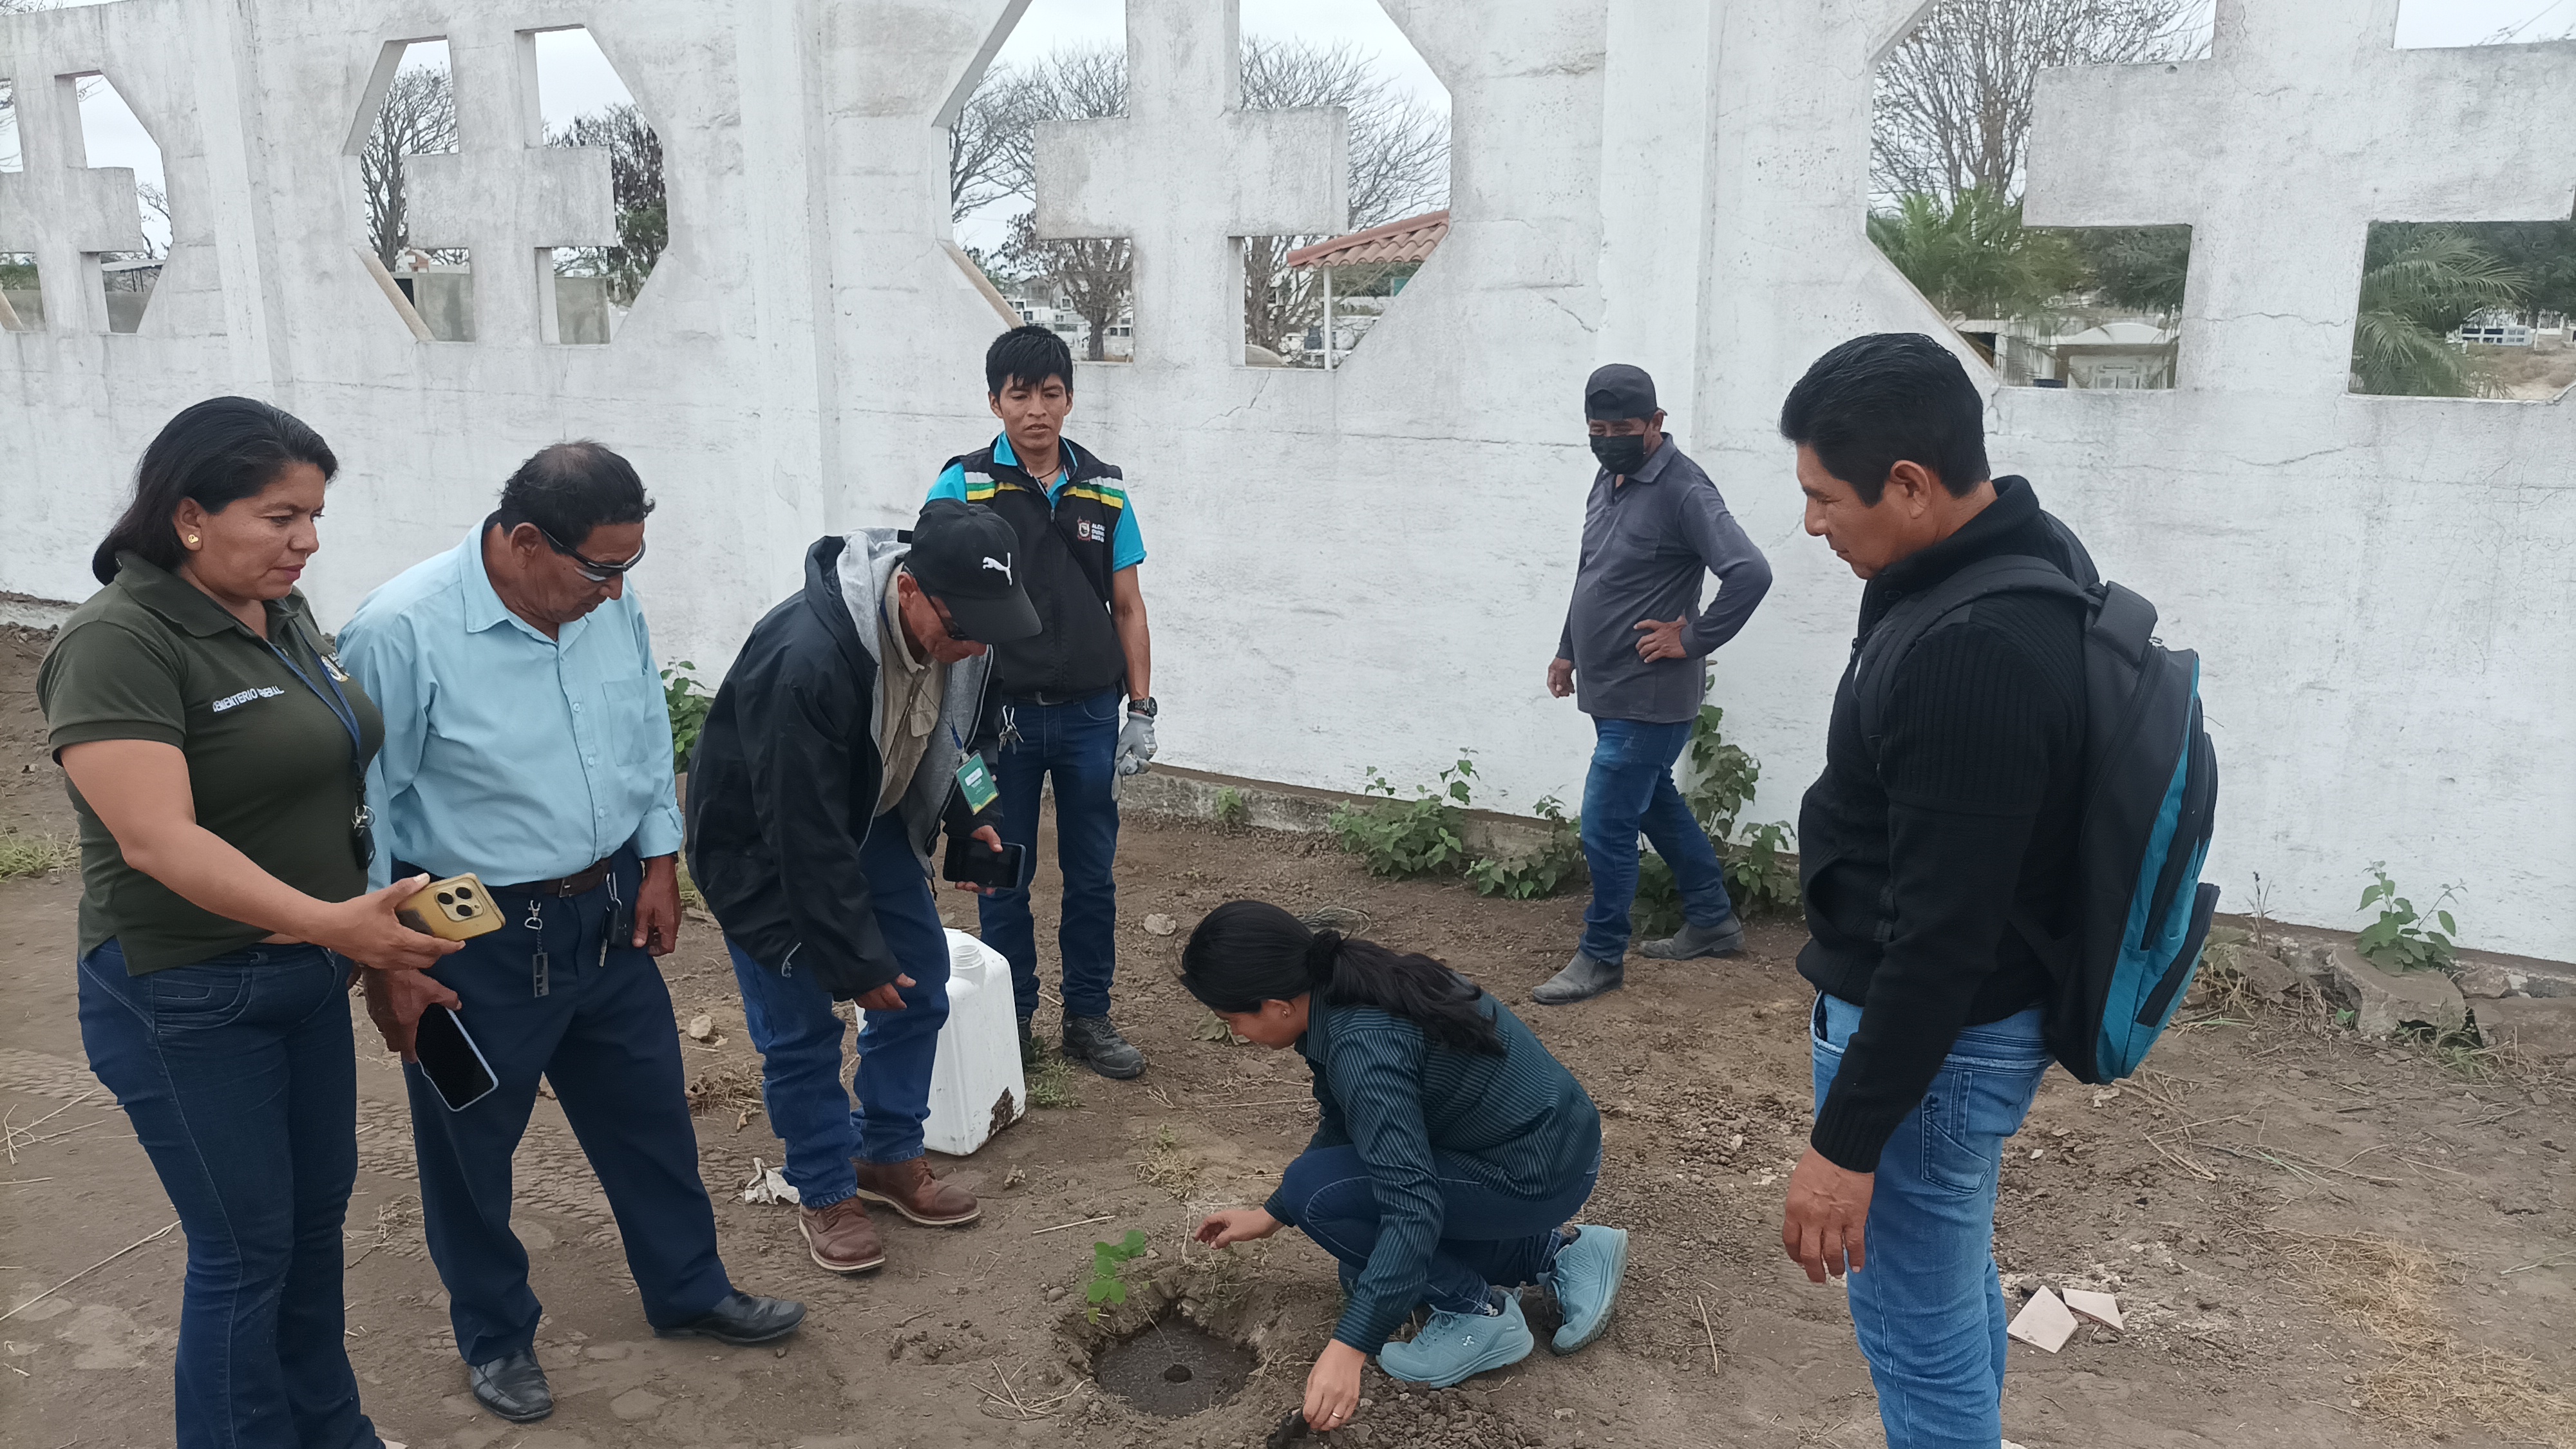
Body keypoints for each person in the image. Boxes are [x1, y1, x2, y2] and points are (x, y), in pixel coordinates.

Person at [336, 442, 803, 1425]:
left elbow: (642, 731)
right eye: (601, 567)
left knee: (650, 1113)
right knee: (469, 1145)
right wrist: (388, 959)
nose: (618, 588)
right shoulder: (402, 628)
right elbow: (368, 804)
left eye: (631, 565)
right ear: (524, 542)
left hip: (607, 910)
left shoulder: (605, 604)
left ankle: (688, 1287)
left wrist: (660, 859)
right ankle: (495, 1335)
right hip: (468, 930)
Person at [38, 397, 462, 1449]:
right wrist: (336, 922)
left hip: (306, 978)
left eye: (314, 516)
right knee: (244, 1253)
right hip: (189, 992)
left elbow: (331, 784)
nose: (306, 540)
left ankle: (333, 1433)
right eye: (280, 517)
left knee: (311, 1238)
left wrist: (364, 940)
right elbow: (157, 840)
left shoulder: (282, 614)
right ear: (190, 515)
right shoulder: (117, 640)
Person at [1774, 333, 2090, 1449]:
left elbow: (1941, 939)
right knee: (1945, 1285)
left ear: (1910, 484)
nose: (1812, 524)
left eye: (1825, 497)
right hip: (1966, 1025)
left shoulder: (1974, 648)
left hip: (1939, 1042)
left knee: (1911, 1322)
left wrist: (1846, 1143)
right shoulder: (2016, 554)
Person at [685, 498, 1037, 1279]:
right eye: (965, 629)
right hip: (763, 849)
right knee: (802, 1025)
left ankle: (887, 1153)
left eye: (992, 629)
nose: (977, 647)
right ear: (909, 590)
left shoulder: (968, 632)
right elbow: (802, 829)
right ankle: (824, 1186)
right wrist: (853, 959)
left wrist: (974, 813)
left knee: (921, 984)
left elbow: (969, 736)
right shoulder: (807, 657)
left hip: (869, 816)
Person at [1185, 901, 1628, 1432]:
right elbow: (1344, 1119)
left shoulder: (1361, 1045)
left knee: (1321, 1201)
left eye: (1233, 1020)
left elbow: (1413, 1208)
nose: (1236, 1034)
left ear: (1278, 1006)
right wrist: (1272, 1214)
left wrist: (1349, 1347)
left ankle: (1479, 1315)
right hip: (1548, 1148)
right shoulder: (1346, 983)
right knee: (1361, 1268)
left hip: (1536, 1175)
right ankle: (1556, 1251)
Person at [926, 324, 1156, 1078]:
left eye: (1050, 393)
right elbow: (931, 599)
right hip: (1000, 724)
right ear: (995, 402)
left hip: (1090, 716)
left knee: (1093, 876)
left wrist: (1140, 710)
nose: (1036, 410)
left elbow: (1128, 605)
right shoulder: (962, 485)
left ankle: (1088, 1018)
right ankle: (1012, 1020)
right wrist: (947, 725)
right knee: (1000, 870)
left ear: (1069, 399)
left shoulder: (1104, 487)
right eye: (1019, 394)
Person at [1535, 363, 1774, 1007]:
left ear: (1655, 423)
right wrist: (1566, 650)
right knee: (1652, 804)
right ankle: (1713, 919)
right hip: (1607, 685)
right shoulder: (1607, 479)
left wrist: (1691, 639)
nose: (1609, 440)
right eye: (1598, 429)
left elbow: (1750, 572)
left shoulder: (1684, 490)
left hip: (1651, 693)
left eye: (1623, 429)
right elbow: (1592, 571)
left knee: (1606, 822)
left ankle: (1601, 955)